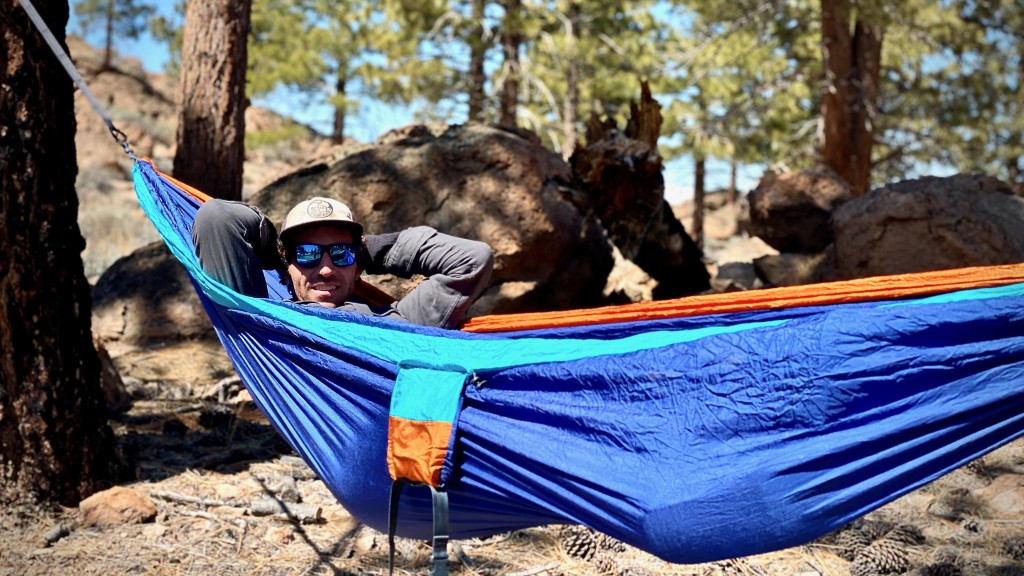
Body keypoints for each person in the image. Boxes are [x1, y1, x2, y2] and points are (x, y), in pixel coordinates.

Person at [192, 197, 493, 329]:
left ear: (358, 263)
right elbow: (218, 218)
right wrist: (279, 253)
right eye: (308, 254)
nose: (325, 268)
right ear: (287, 260)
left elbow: (472, 260)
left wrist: (371, 250)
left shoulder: (399, 324)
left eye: (341, 255)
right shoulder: (262, 322)